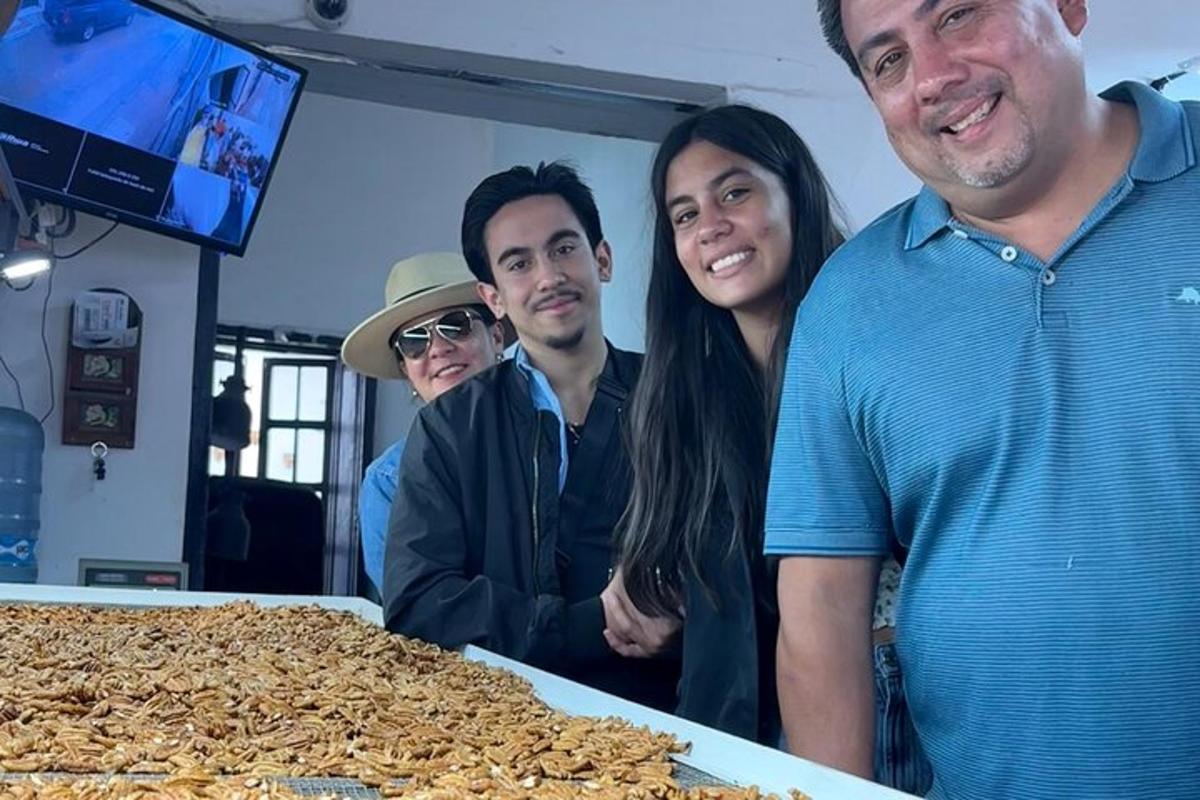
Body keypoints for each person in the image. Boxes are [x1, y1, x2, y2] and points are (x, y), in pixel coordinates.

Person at [766, 1, 1200, 798]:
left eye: (960, 14)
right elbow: (822, 610)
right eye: (887, 60)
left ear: (1068, 5)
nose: (932, 77)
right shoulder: (845, 303)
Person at [384, 162, 680, 709]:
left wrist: (675, 611)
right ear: (493, 296)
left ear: (603, 260)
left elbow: (731, 564)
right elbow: (418, 600)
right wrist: (582, 625)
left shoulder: (679, 399)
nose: (548, 277)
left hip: (667, 720)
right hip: (495, 732)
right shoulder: (449, 428)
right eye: (518, 263)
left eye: (564, 249)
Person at [340, 252, 508, 597]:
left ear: (497, 336)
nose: (438, 348)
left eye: (455, 325)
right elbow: (419, 611)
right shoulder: (388, 481)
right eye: (414, 341)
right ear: (406, 369)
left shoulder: (558, 440)